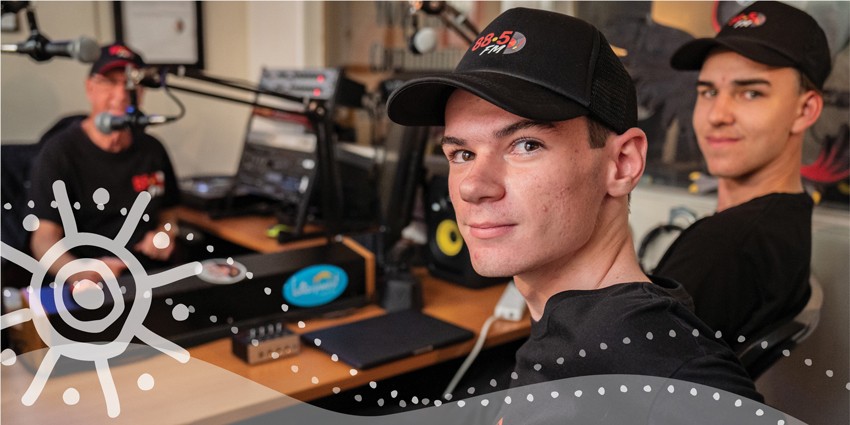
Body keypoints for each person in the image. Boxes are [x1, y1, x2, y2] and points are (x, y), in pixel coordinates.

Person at [386, 6, 762, 410]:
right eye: (461, 153)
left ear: (622, 164)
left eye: (526, 145)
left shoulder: (665, 372)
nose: (474, 186)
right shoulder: (574, 328)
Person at [655, 1, 831, 350]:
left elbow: (614, 382)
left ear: (805, 109)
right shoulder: (786, 216)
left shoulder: (724, 248)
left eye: (750, 92)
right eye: (708, 92)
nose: (717, 115)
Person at [28, 43, 180, 289]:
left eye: (130, 84)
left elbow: (170, 215)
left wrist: (165, 235)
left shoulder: (153, 149)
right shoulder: (59, 153)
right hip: (88, 283)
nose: (120, 94)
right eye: (110, 82)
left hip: (148, 278)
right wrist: (78, 270)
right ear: (90, 87)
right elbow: (43, 240)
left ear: (141, 92)